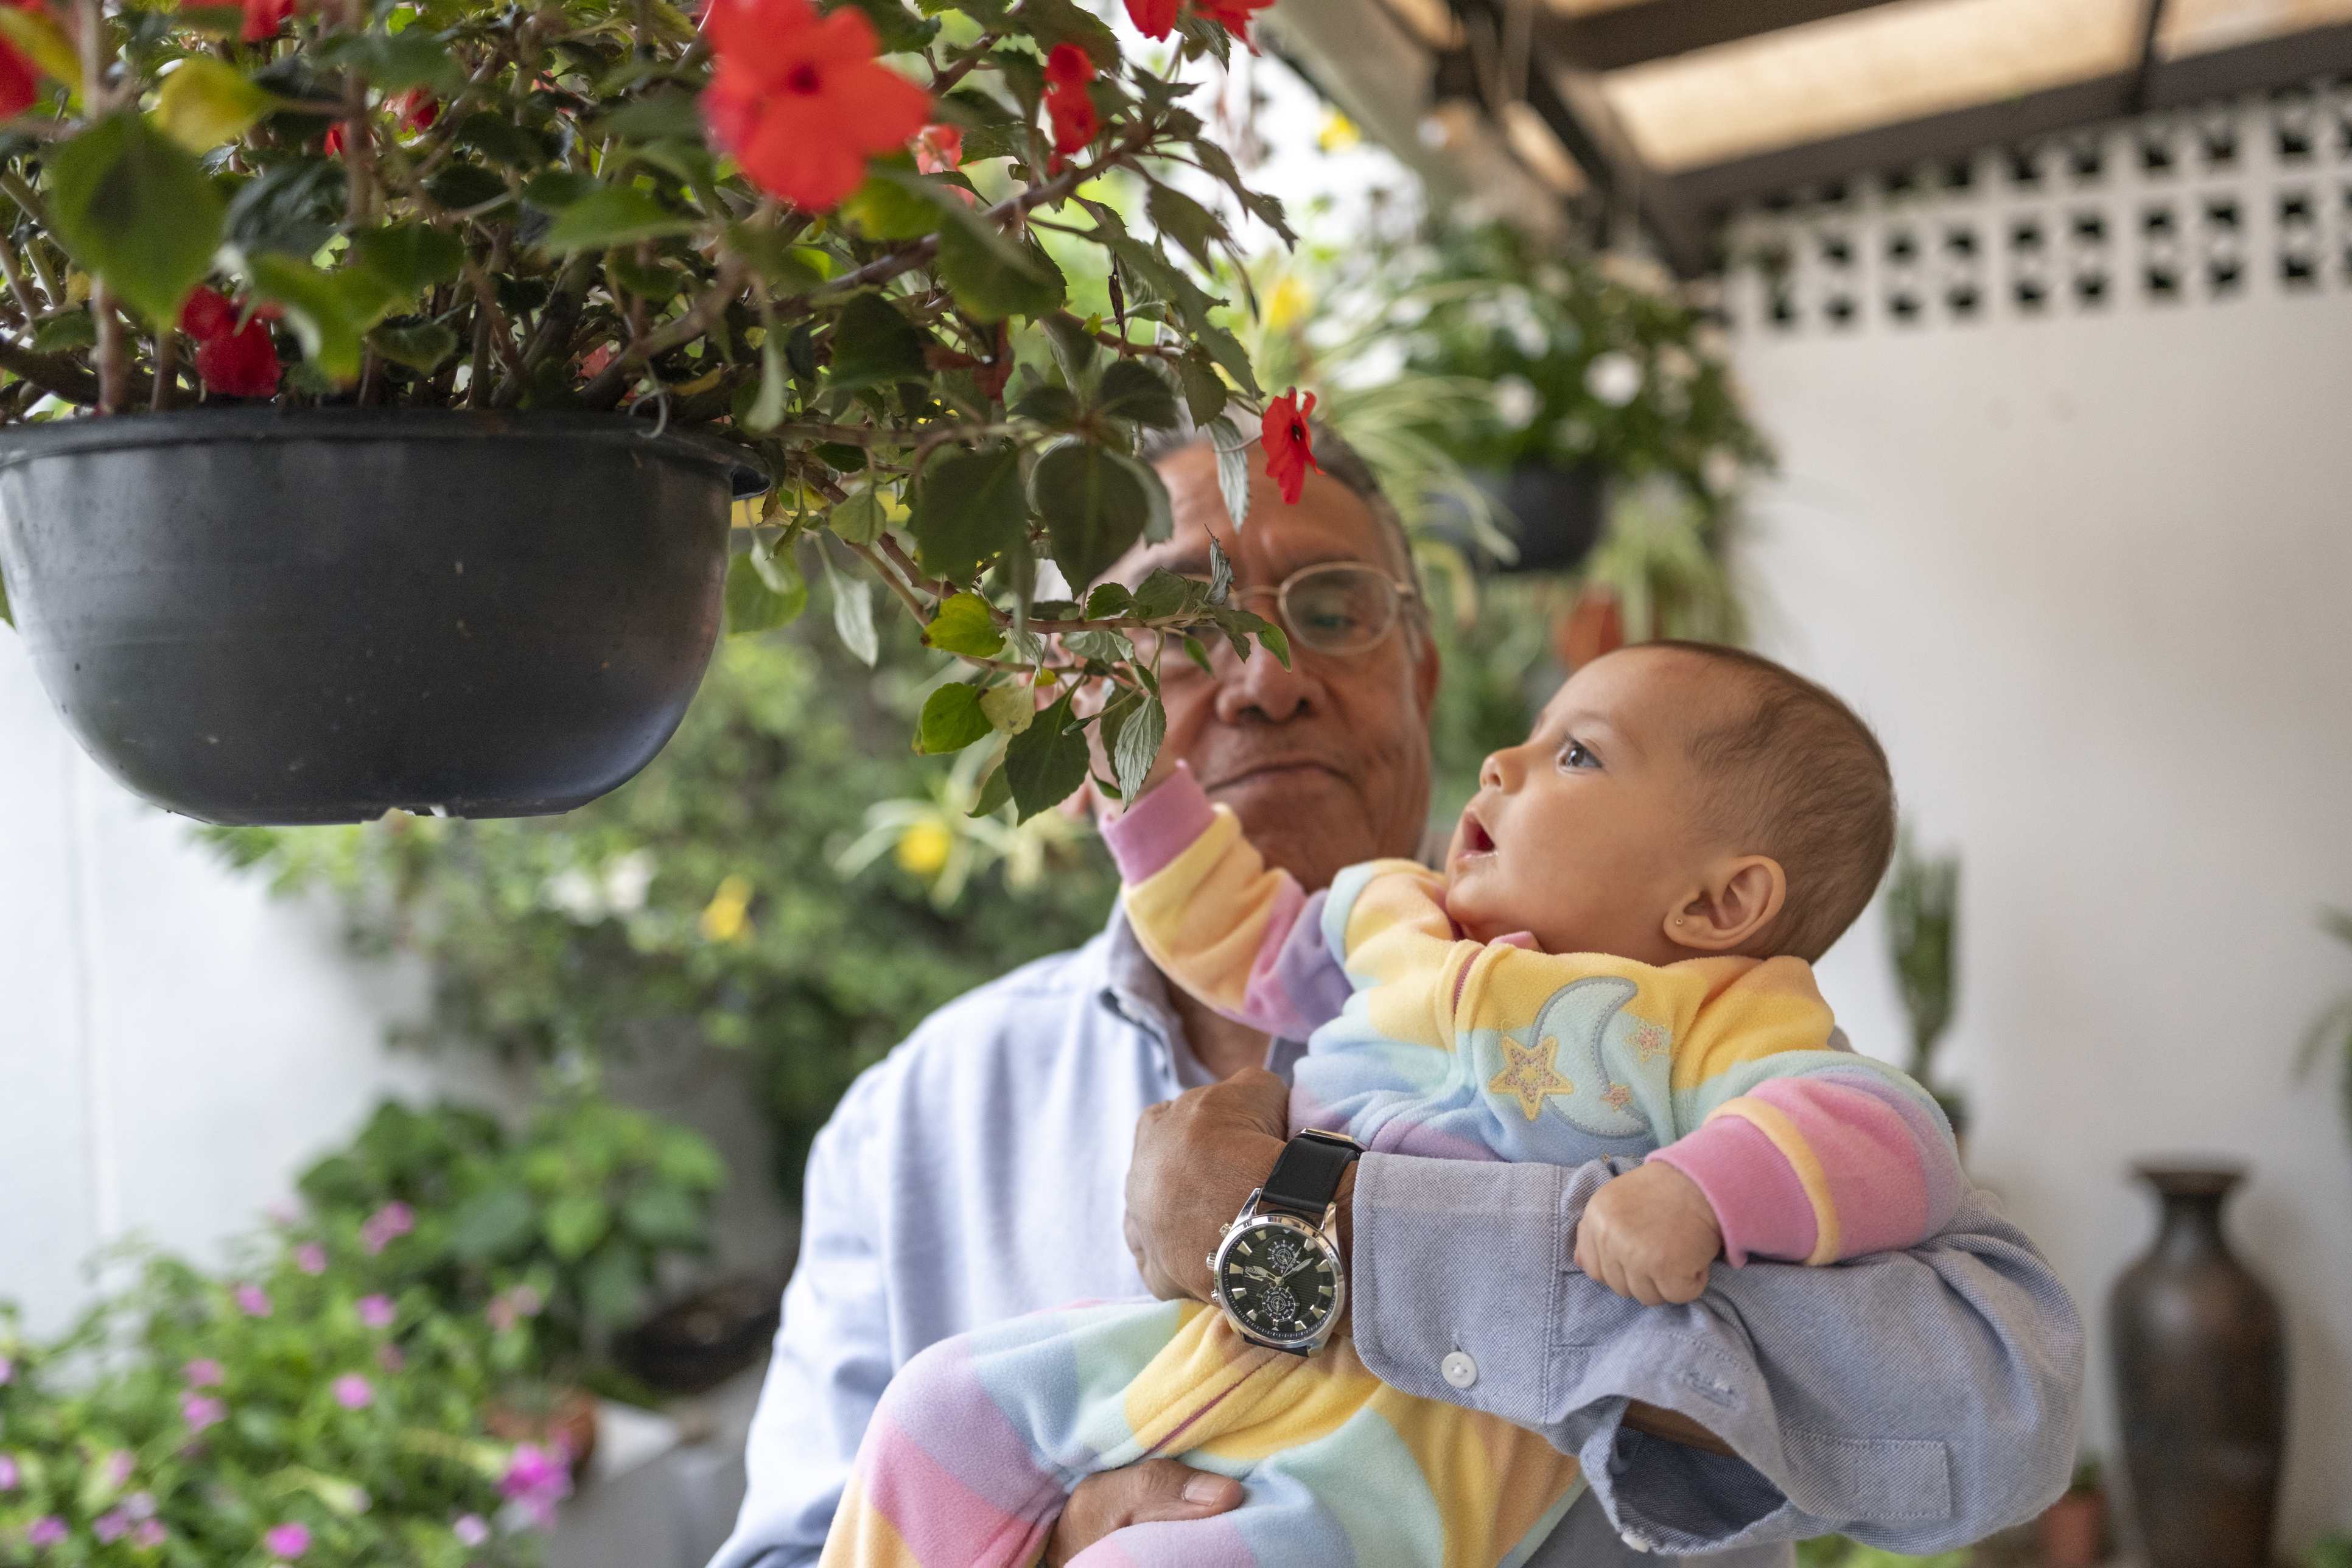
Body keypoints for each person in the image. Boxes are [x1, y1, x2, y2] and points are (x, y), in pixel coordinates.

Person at [709, 430, 2084, 1568]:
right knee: (941, 1408)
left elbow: (2001, 1414)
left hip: (1377, 1497)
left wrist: (1336, 1231)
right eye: (1183, 634)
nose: (1267, 678)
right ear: (1100, 706)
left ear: (1419, 671)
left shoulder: (1691, 1034)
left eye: (1331, 611)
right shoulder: (923, 1112)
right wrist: (1039, 1540)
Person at [819, 640, 1969, 1568]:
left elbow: (1888, 1138)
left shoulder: (1713, 1013)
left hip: (1421, 1433)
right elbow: (1239, 931)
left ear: (1720, 902)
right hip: (1199, 1345)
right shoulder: (1395, 918)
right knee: (934, 1411)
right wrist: (1135, 780)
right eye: (1524, 738)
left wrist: (1703, 1193)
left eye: (1577, 757)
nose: (1502, 766)